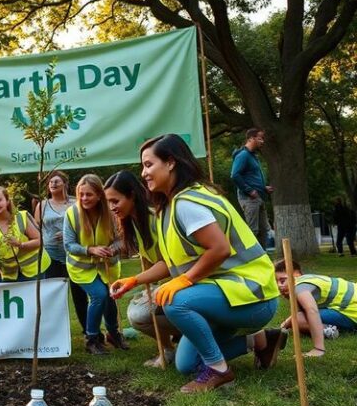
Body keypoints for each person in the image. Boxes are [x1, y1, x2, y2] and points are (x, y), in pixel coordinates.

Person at [111, 134, 283, 393]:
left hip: (254, 294)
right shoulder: (170, 205)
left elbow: (220, 249)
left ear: (170, 163)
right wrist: (135, 280)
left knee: (174, 300)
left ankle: (219, 370)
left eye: (148, 165)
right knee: (186, 364)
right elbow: (172, 265)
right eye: (142, 166)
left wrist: (185, 280)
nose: (144, 173)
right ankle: (263, 340)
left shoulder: (187, 203)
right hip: (228, 292)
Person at [104, 170, 178, 367]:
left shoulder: (157, 219)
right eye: (108, 202)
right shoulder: (132, 222)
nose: (111, 207)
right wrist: (147, 286)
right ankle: (168, 349)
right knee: (138, 310)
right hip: (170, 286)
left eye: (115, 201)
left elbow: (170, 265)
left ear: (132, 195)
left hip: (183, 285)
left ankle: (178, 342)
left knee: (138, 314)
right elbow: (149, 259)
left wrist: (134, 280)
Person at [63, 174, 127, 355]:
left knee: (111, 296)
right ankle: (92, 339)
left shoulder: (112, 212)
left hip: (108, 265)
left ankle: (113, 334)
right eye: (81, 195)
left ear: (99, 195)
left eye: (89, 195)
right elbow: (68, 244)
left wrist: (112, 249)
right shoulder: (72, 213)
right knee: (99, 295)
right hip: (81, 267)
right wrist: (90, 249)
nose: (84, 199)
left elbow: (121, 240)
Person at [34, 171, 89, 333]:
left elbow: (86, 225)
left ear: (65, 183)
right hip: (50, 256)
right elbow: (37, 229)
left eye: (56, 181)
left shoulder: (76, 203)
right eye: (50, 182)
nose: (53, 184)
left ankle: (88, 330)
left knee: (80, 295)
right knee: (54, 296)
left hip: (74, 255)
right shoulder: (42, 205)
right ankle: (56, 333)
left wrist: (69, 233)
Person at [274, 259, 357, 357]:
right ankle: (331, 329)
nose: (279, 285)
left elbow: (311, 310)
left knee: (299, 320)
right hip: (349, 307)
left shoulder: (300, 287)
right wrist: (285, 325)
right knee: (298, 320)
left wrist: (318, 349)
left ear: (296, 275)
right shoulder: (309, 280)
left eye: (282, 280)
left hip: (353, 309)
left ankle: (327, 330)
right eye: (276, 282)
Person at [0, 185, 51, 282]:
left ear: (7, 201)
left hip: (34, 270)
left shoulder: (21, 217)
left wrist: (20, 244)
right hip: (9, 275)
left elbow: (40, 241)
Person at [230, 128, 274, 247]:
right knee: (253, 231)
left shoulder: (253, 156)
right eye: (260, 138)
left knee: (264, 230)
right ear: (251, 139)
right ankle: (249, 259)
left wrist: (263, 188)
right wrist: (249, 190)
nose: (262, 141)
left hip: (259, 197)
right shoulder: (243, 155)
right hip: (249, 199)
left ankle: (262, 258)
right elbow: (235, 175)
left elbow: (250, 177)